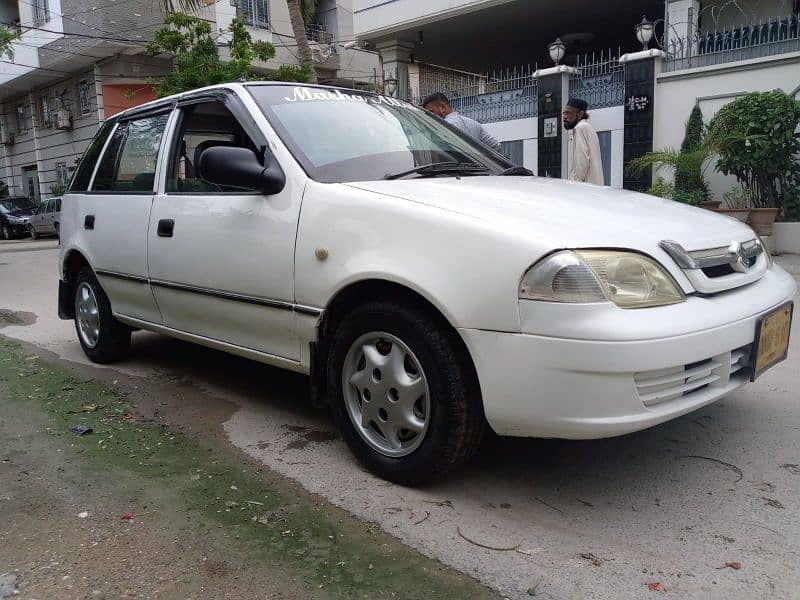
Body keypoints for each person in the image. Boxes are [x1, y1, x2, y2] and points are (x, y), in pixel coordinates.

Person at [422, 92, 502, 152]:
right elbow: (496, 146)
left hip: (453, 173)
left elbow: (437, 157)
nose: (429, 116)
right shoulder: (474, 123)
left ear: (442, 107)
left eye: (431, 112)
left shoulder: (440, 128)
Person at [562, 97, 604, 186]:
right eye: (564, 113)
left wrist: (574, 185)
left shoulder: (580, 128)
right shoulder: (587, 127)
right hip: (594, 187)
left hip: (584, 189)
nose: (565, 117)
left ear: (580, 114)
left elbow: (581, 161)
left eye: (569, 113)